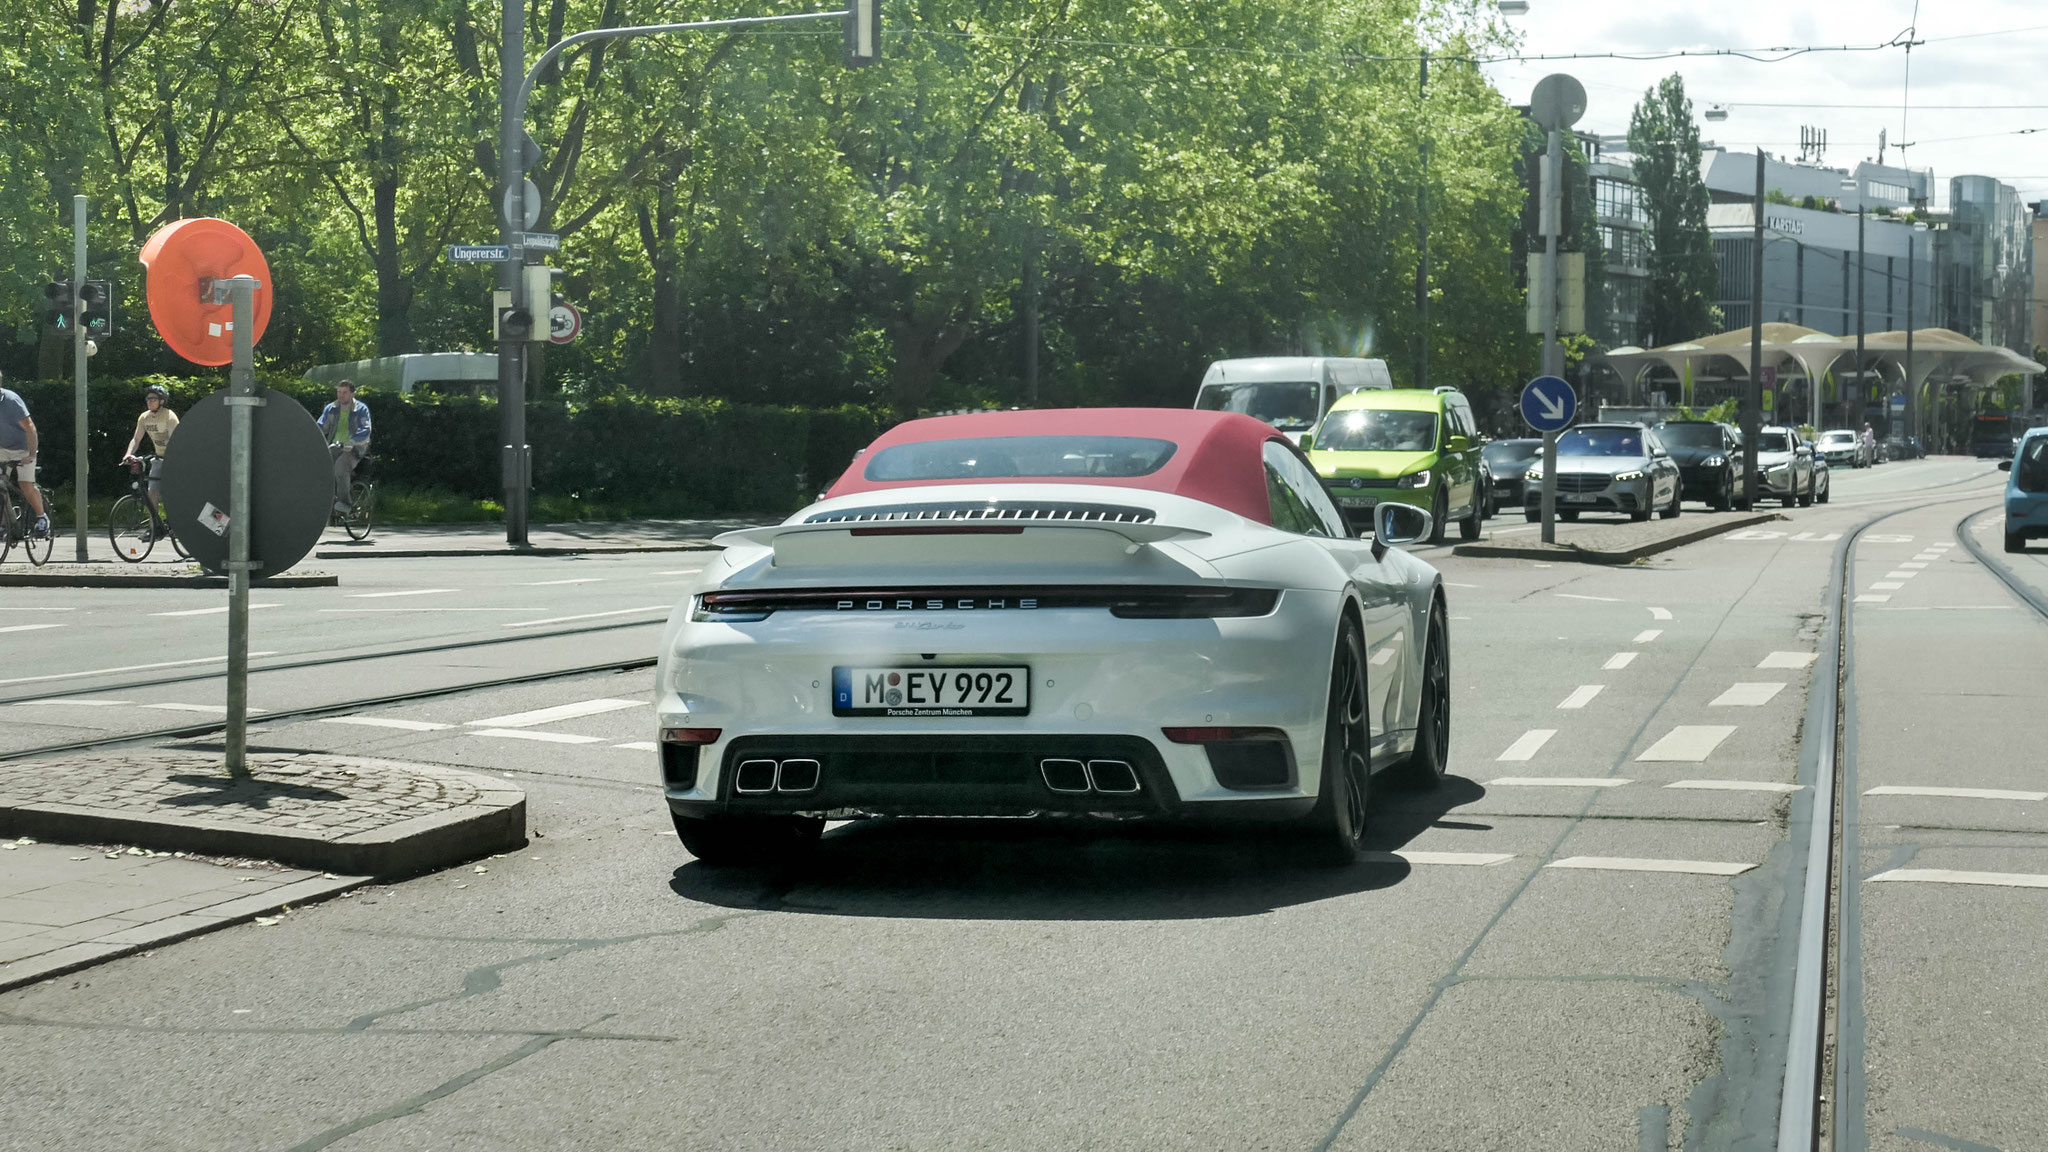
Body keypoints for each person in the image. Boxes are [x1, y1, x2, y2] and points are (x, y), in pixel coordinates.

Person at [120, 385, 179, 521]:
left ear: (162, 401)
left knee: (170, 493)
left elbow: (175, 440)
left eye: (153, 399)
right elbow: (136, 439)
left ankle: (175, 521)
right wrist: (128, 454)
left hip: (174, 458)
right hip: (159, 458)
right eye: (148, 399)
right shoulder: (144, 417)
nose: (149, 401)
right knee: (152, 491)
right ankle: (154, 526)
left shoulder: (169, 416)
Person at [0, 372, 48, 537]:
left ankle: (42, 517)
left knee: (25, 484)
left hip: (23, 448)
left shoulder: (11, 401)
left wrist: (31, 455)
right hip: (2, 449)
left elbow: (30, 428)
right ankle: (8, 521)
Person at [317, 380, 372, 514]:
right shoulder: (331, 408)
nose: (341, 395)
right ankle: (323, 500)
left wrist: (352, 442)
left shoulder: (360, 409)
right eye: (339, 392)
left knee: (340, 467)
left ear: (353, 394)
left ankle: (345, 504)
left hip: (354, 448)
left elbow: (366, 429)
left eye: (345, 392)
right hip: (335, 445)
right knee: (319, 466)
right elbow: (320, 426)